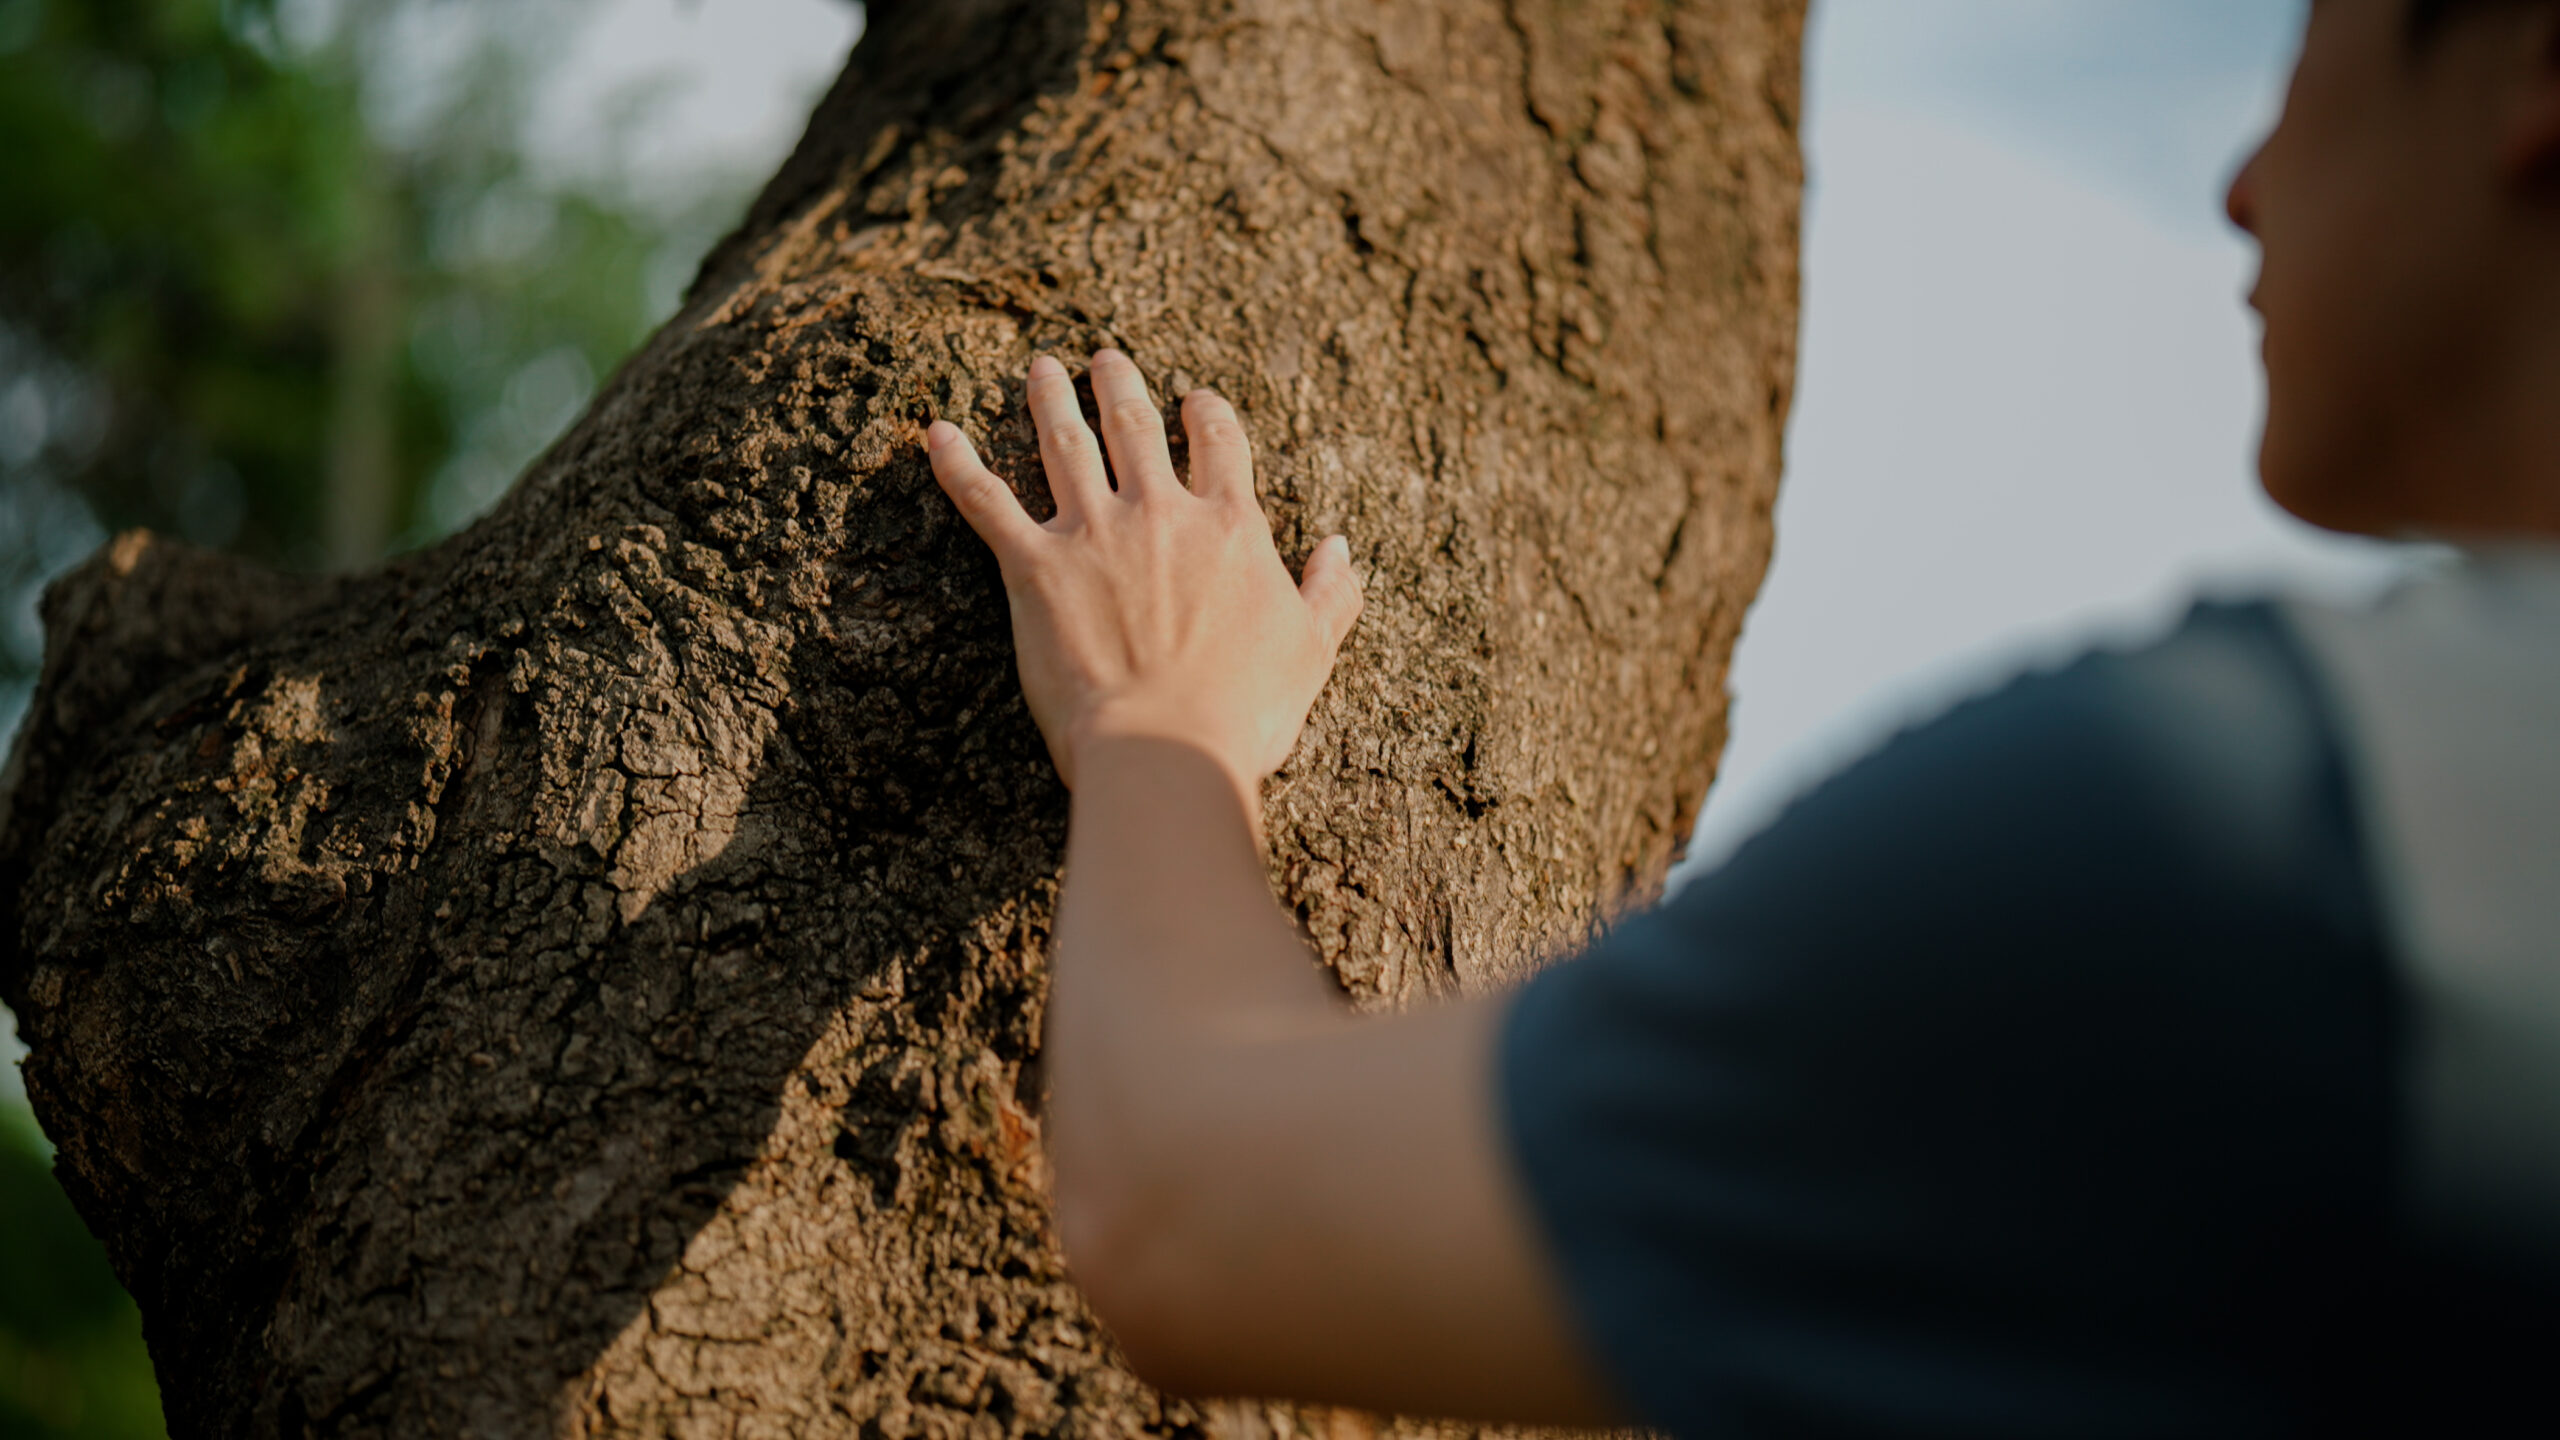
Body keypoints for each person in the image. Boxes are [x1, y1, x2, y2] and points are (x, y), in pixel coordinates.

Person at [920, 0, 2559, 1432]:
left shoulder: (2260, 820)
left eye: (2312, 50)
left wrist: (1160, 727)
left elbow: (1202, 1215)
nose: (2244, 183)